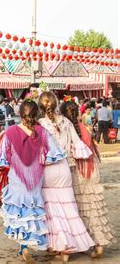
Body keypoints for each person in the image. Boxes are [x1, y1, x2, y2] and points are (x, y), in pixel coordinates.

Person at [0, 100, 65, 263]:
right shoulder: (42, 132)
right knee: (32, 210)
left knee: (19, 211)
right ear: (36, 114)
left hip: (17, 177)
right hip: (35, 176)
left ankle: (23, 247)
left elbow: (2, 158)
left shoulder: (10, 132)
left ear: (20, 114)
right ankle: (27, 245)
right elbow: (54, 155)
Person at [38, 91, 95, 261]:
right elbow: (78, 146)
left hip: (47, 169)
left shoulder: (39, 124)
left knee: (52, 210)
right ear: (56, 105)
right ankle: (68, 248)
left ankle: (58, 245)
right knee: (68, 208)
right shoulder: (67, 122)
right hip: (63, 168)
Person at [60, 100, 116, 258]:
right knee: (95, 210)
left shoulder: (67, 130)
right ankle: (98, 244)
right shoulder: (85, 129)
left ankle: (83, 242)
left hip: (77, 175)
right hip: (91, 174)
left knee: (80, 210)